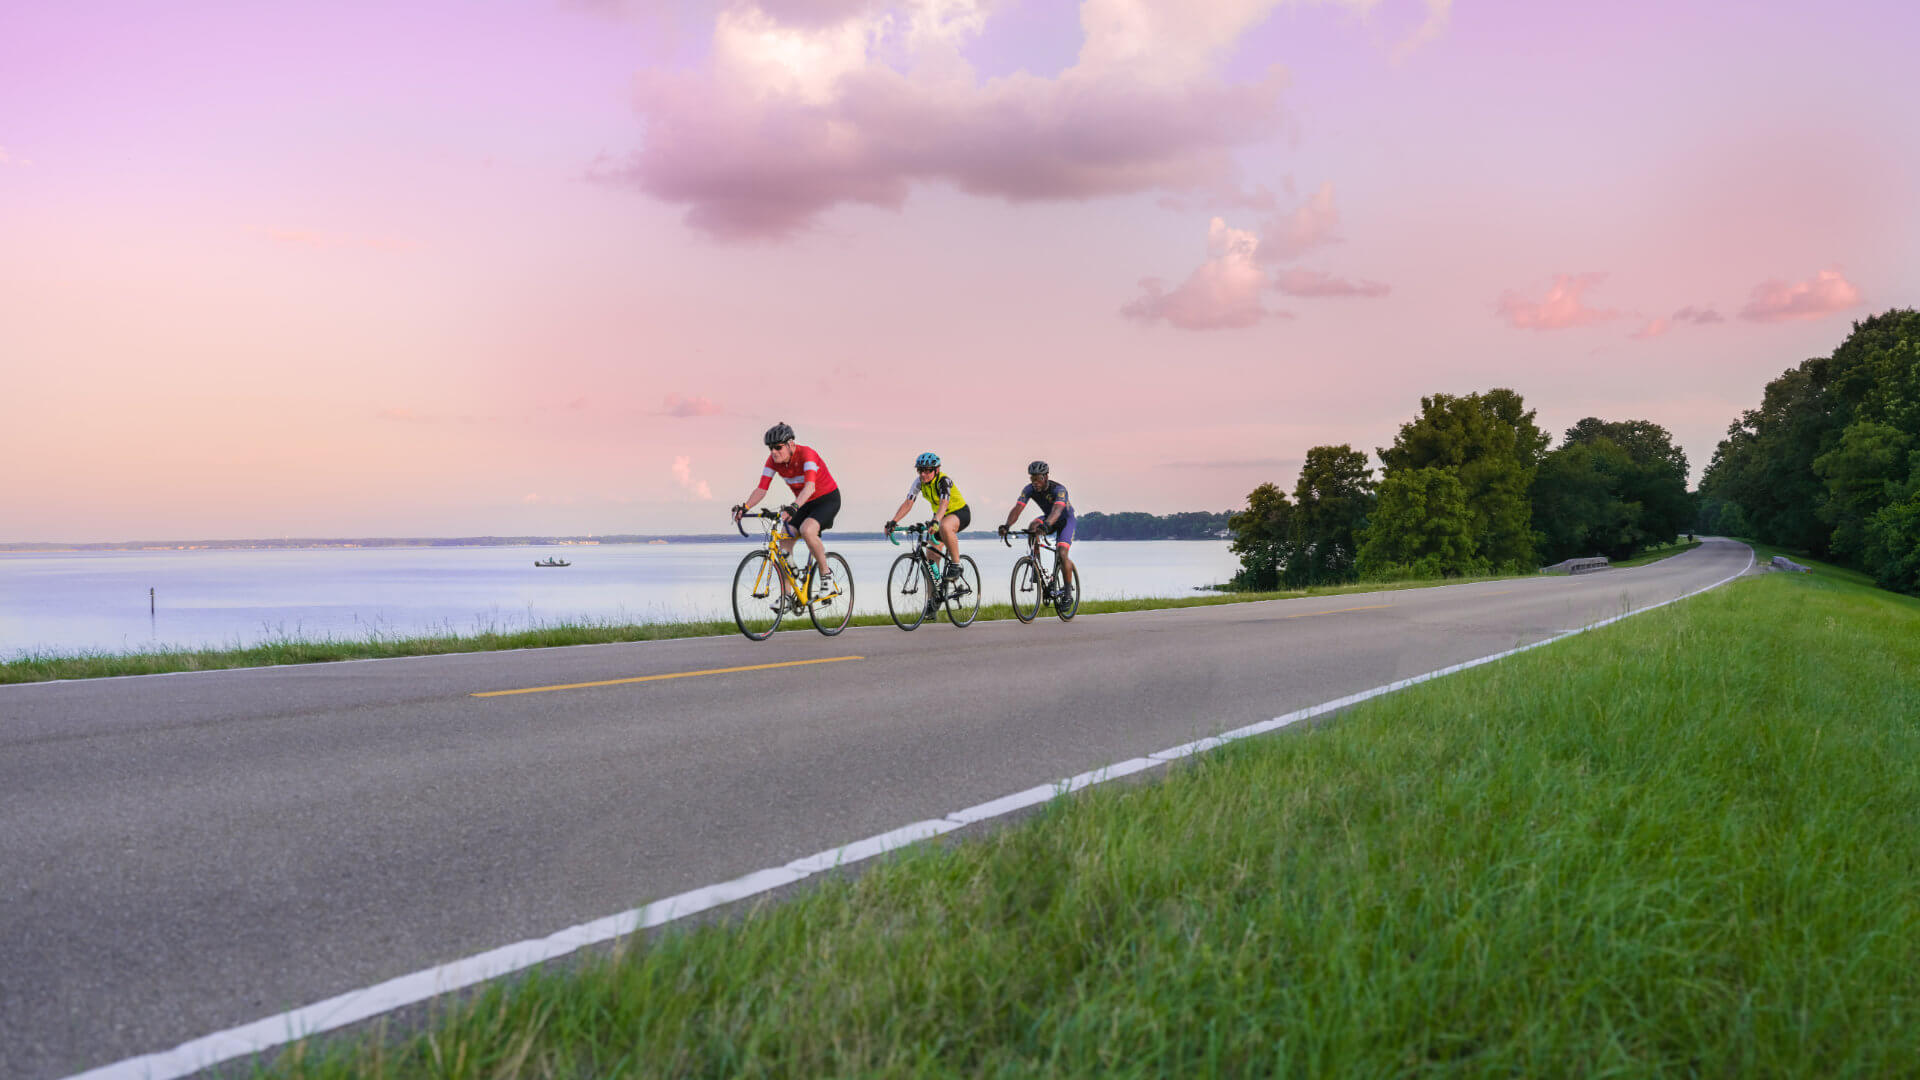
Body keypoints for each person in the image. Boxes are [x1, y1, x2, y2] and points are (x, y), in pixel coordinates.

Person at [732, 421, 839, 609]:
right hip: (804, 503)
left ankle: (826, 576)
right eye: (770, 448)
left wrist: (793, 507)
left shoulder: (807, 455)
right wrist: (745, 507)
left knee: (807, 530)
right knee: (784, 539)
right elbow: (761, 488)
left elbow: (810, 487)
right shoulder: (772, 461)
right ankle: (787, 596)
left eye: (778, 447)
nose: (774, 452)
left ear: (791, 444)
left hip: (826, 499)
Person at [886, 451, 969, 580]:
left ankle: (956, 564)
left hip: (959, 513)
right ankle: (934, 597)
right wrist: (894, 521)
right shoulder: (919, 482)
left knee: (945, 526)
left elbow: (944, 503)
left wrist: (936, 521)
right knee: (930, 558)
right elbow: (908, 503)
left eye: (927, 471)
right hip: (939, 517)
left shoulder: (943, 481)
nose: (923, 474)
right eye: (920, 471)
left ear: (937, 470)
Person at [999, 460, 1076, 594]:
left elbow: (1057, 510)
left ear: (1046, 476)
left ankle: (1068, 593)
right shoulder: (1029, 489)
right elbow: (1018, 508)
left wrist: (1046, 525)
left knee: (1062, 553)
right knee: (1033, 526)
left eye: (1038, 479)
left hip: (1065, 521)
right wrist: (1007, 525)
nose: (1035, 482)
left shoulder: (1059, 490)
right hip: (1048, 518)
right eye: (1032, 478)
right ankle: (1035, 564)